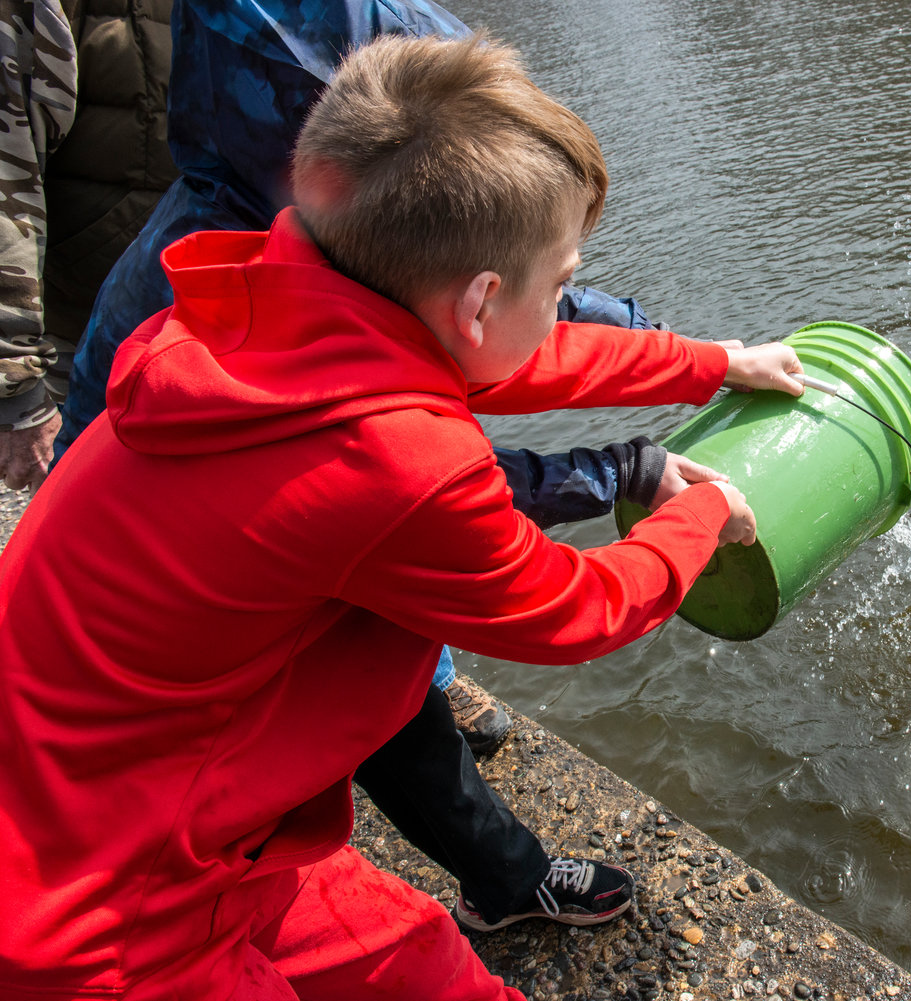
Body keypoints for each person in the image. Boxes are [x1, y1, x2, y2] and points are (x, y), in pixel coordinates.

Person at [0, 32, 803, 999]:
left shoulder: (277, 298)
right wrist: (703, 509)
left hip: (141, 806)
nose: (563, 306)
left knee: (429, 967)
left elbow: (516, 357)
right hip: (103, 910)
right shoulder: (397, 462)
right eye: (560, 284)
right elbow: (573, 609)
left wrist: (712, 362)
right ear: (479, 302)